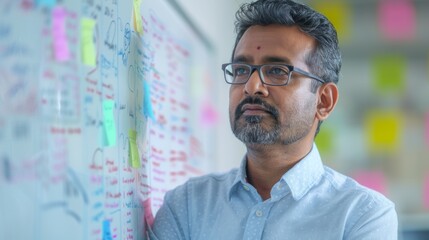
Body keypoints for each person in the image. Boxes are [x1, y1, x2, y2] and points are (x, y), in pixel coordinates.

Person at [149, 0, 398, 239]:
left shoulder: (362, 215)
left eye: (278, 71)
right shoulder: (186, 206)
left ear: (324, 101)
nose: (251, 86)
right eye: (241, 70)